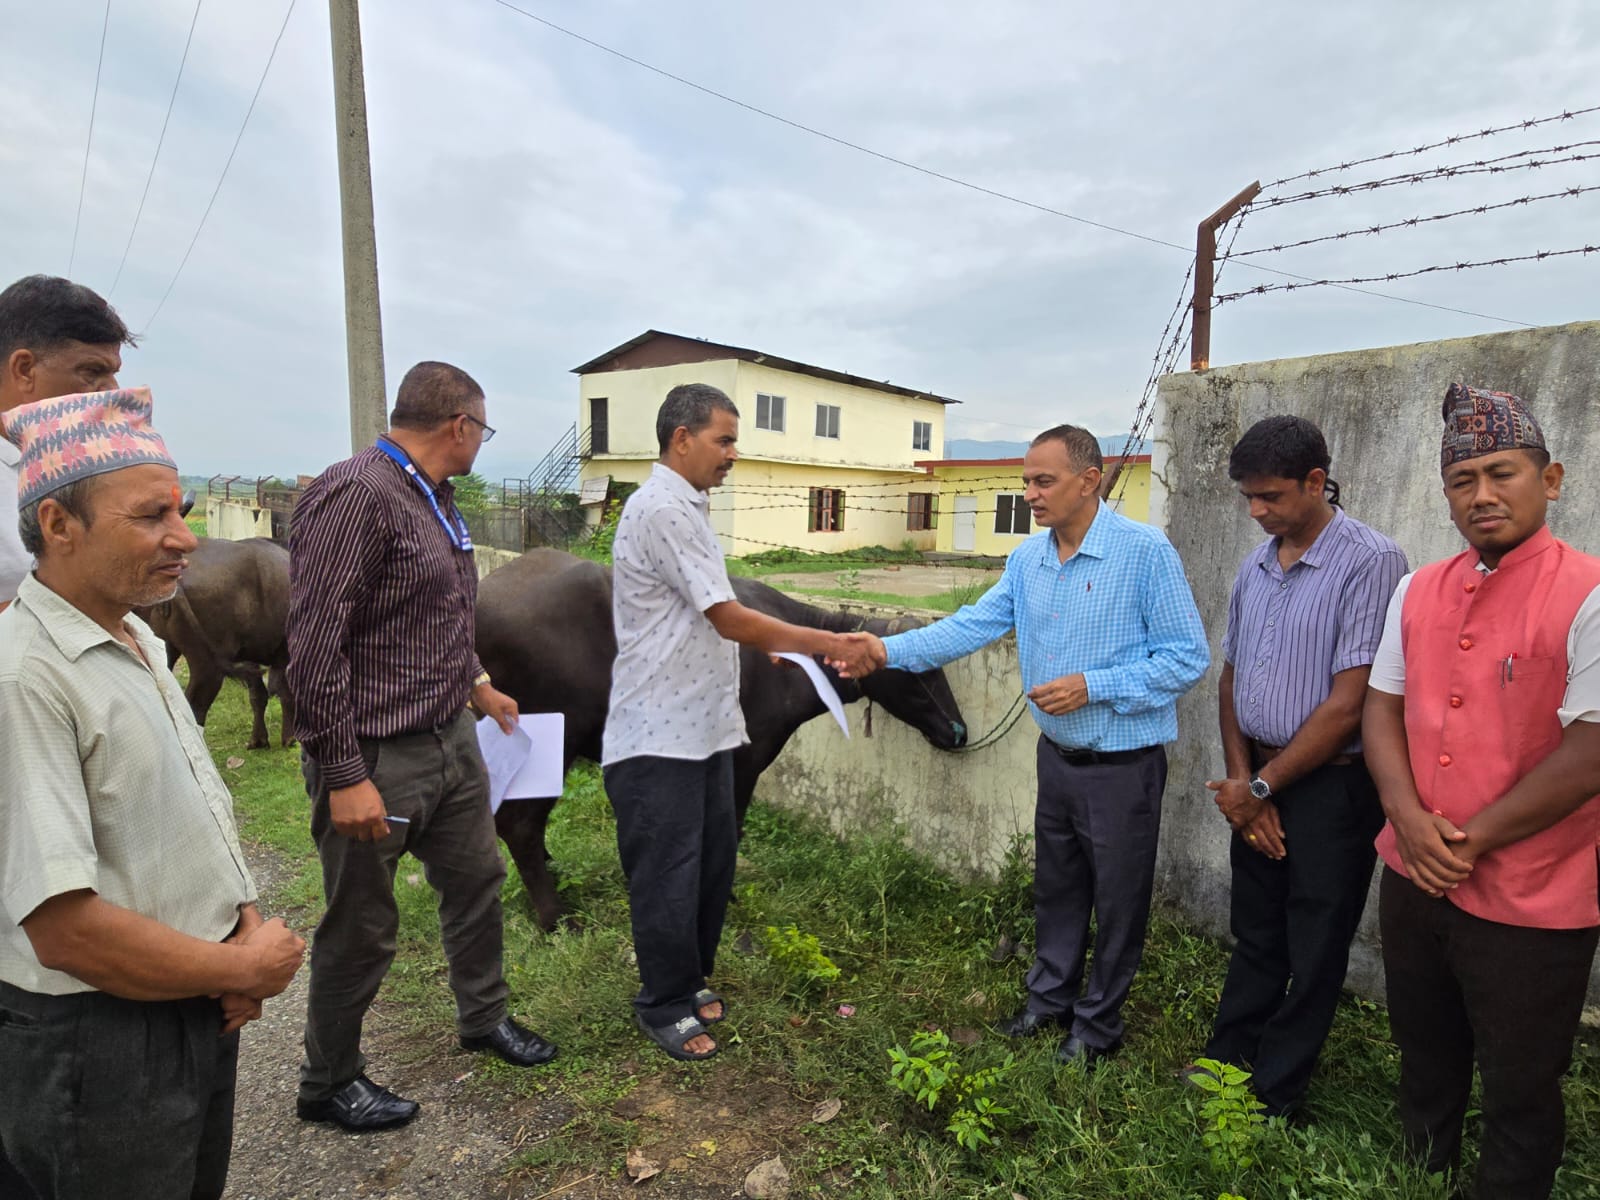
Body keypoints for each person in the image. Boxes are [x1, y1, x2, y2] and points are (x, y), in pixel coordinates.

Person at [0, 387, 306, 1200]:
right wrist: (237, 964)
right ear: (58, 525)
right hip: (100, 1040)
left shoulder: (133, 632)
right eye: (151, 517)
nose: (185, 538)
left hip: (187, 1000)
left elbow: (191, 807)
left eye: (183, 508)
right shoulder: (26, 676)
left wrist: (236, 929)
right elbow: (63, 928)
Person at [837, 424, 1209, 1063]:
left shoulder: (1145, 553)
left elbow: (1187, 658)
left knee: (1118, 900)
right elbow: (970, 627)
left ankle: (1096, 1028)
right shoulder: (1027, 561)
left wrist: (1095, 685)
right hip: (1057, 758)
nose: (1030, 494)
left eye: (1044, 481)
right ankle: (1049, 1002)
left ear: (1089, 481)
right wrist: (885, 649)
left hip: (1122, 766)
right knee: (1058, 887)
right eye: (1027, 481)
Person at [287, 361, 554, 1133]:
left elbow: (425, 616)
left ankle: (483, 1020)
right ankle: (327, 1079)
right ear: (458, 426)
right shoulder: (357, 494)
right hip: (377, 757)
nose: (481, 442)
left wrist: (478, 685)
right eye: (483, 427)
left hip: (450, 740)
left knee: (477, 881)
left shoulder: (430, 496)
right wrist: (343, 774)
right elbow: (313, 648)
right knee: (362, 921)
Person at [1364, 383, 1600, 1199]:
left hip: (1533, 889)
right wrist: (1405, 818)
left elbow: (1592, 749)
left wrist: (1470, 840)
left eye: (1503, 473)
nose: (1483, 495)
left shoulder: (1589, 592)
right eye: (1464, 481)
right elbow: (1381, 707)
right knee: (1423, 1040)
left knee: (1522, 1073)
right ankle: (1419, 1163)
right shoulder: (1417, 588)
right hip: (1413, 868)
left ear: (1553, 479)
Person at [603, 382, 860, 1062]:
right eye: (723, 439)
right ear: (681, 438)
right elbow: (726, 613)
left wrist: (769, 642)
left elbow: (702, 613)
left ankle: (688, 981)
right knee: (668, 867)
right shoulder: (662, 507)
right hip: (659, 733)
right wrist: (826, 642)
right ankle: (661, 1001)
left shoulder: (689, 505)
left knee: (711, 860)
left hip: (705, 726)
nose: (733, 454)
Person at [1187, 416, 1406, 1118]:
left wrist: (1260, 790)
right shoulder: (1256, 564)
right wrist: (1242, 782)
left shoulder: (1371, 561)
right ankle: (1228, 1063)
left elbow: (1351, 704)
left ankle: (1277, 1091)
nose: (1257, 512)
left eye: (1272, 497)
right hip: (1258, 775)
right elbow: (1231, 681)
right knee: (1257, 931)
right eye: (1249, 498)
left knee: (1314, 943)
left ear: (1318, 481)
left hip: (1334, 786)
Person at [0, 274, 134, 610]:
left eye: (114, 372)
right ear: (25, 369)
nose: (112, 391)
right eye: (92, 371)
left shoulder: (73, 469)